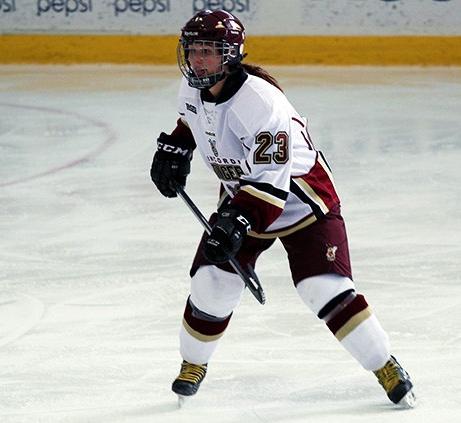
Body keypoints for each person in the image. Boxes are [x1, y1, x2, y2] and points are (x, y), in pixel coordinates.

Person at [150, 9, 416, 408]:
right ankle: (193, 364)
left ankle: (384, 364)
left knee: (322, 288)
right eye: (192, 50)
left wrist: (237, 221)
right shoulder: (191, 89)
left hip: (301, 200)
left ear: (231, 56)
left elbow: (272, 184)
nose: (197, 59)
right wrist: (177, 146)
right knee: (213, 284)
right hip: (246, 196)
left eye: (208, 51)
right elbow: (195, 121)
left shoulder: (261, 104)